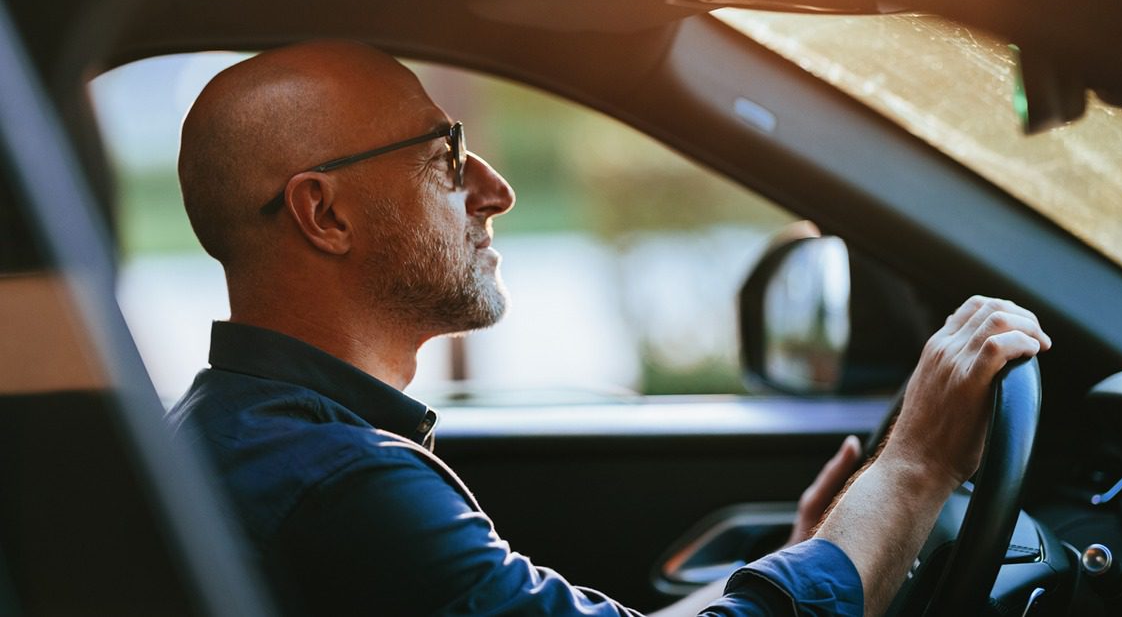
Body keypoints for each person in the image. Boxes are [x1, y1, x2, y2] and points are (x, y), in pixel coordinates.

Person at [167, 40, 1052, 617]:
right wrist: (916, 467)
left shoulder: (256, 435)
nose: (495, 189)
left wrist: (813, 553)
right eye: (444, 155)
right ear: (325, 213)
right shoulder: (335, 480)